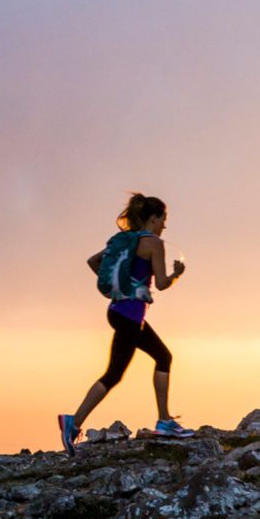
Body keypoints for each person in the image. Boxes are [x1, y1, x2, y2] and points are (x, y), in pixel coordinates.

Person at [57, 193, 190, 455]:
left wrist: (121, 285)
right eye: (164, 219)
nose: (165, 226)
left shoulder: (125, 241)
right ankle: (73, 422)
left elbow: (94, 262)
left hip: (119, 310)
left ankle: (164, 420)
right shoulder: (154, 244)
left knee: (162, 356)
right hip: (131, 315)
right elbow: (161, 284)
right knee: (116, 373)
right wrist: (176, 274)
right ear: (154, 218)